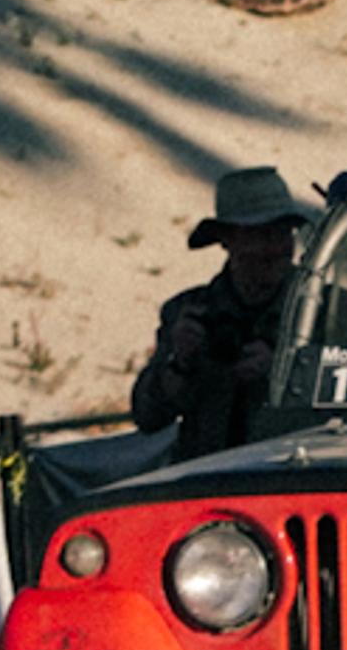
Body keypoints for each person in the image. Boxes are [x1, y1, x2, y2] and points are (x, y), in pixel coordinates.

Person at [130, 167, 316, 456]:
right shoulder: (188, 311)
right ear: (226, 240)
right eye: (259, 235)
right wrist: (180, 363)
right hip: (210, 483)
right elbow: (148, 416)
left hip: (296, 480)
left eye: (283, 233)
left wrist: (285, 374)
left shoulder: (327, 311)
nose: (275, 248)